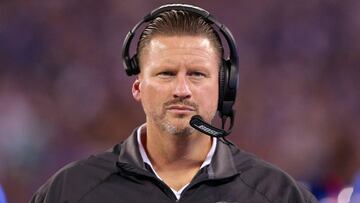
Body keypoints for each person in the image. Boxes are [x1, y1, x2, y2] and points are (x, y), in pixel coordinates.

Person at [30, 4, 318, 203]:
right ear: (138, 86)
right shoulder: (70, 191)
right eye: (166, 74)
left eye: (197, 74)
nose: (182, 90)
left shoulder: (278, 194)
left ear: (223, 87)